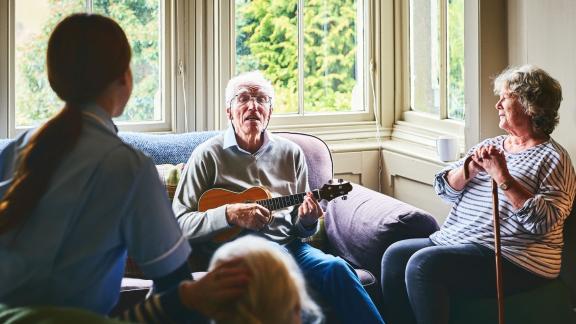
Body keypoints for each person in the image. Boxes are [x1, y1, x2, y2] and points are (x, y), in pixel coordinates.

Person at [0, 13, 249, 323]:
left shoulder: (15, 149)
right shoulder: (129, 167)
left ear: (54, 78)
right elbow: (178, 292)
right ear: (124, 78)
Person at [173, 71, 385, 323]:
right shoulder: (207, 155)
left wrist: (307, 220)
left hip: (291, 247)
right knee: (279, 262)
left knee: (337, 268)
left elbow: (302, 228)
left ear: (270, 111)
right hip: (236, 255)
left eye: (261, 99)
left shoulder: (291, 153)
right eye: (243, 98)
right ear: (228, 111)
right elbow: (179, 224)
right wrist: (229, 214)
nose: (253, 105)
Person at [380, 65, 576, 324]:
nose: (497, 105)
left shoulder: (554, 158)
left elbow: (544, 222)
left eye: (505, 97)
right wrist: (468, 168)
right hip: (459, 241)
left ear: (530, 105)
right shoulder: (491, 145)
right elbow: (444, 189)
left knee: (423, 264)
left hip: (515, 257)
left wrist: (503, 177)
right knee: (395, 255)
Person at [208, 235, 323, 324]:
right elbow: (189, 225)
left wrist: (307, 223)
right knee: (276, 257)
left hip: (290, 242)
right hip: (243, 246)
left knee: (335, 266)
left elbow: (301, 228)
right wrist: (228, 215)